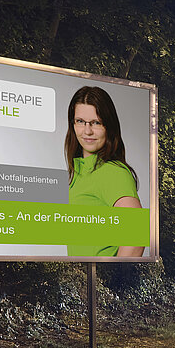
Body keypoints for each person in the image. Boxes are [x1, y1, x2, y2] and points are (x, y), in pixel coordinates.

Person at [64, 86, 145, 257]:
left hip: (99, 282)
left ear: (109, 126)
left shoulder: (112, 172)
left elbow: (136, 237)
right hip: (80, 281)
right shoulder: (79, 173)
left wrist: (114, 282)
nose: (87, 131)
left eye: (96, 123)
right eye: (80, 121)